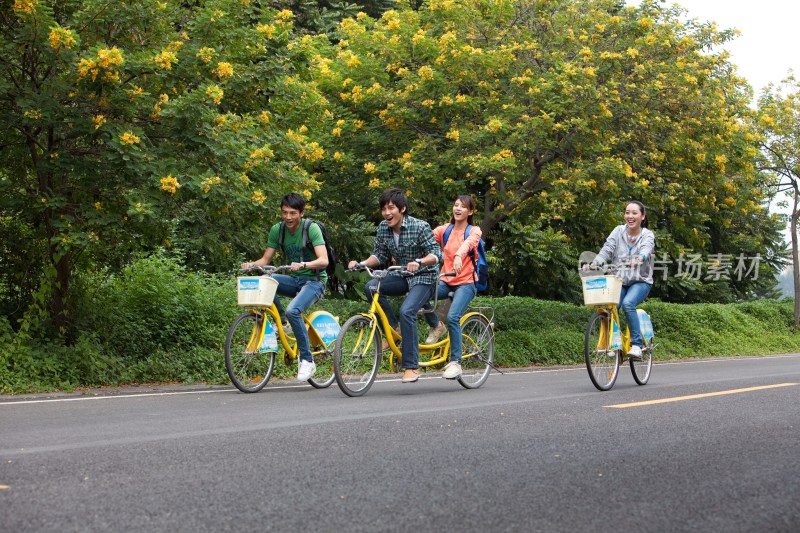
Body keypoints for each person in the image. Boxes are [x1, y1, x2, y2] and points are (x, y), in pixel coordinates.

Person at [347, 188, 442, 383]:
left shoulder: (420, 226)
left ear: (402, 209)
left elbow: (436, 254)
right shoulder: (383, 227)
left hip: (424, 277)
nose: (387, 213)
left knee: (407, 311)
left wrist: (420, 261)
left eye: (391, 208)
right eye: (383, 209)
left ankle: (411, 366)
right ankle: (393, 328)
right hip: (402, 274)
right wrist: (362, 264)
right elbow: (379, 255)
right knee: (371, 287)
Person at [241, 193, 328, 382]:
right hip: (294, 279)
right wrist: (251, 265)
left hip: (314, 281)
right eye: (284, 213)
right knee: (266, 279)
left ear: (301, 213)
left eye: (293, 213)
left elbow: (324, 260)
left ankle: (307, 360)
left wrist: (304, 265)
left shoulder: (311, 229)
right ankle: (284, 323)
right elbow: (265, 260)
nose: (288, 217)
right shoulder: (277, 230)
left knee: (293, 309)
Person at [422, 195, 483, 379]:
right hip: (446, 279)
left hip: (466, 283)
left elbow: (469, 243)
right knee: (421, 293)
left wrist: (458, 255)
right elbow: (424, 238)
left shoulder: (474, 231)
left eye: (463, 207)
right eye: (456, 205)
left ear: (470, 211)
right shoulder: (445, 230)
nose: (458, 209)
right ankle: (436, 326)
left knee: (453, 317)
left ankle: (455, 362)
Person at [589, 200, 655, 361]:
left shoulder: (647, 234)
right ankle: (614, 342)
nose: (630, 216)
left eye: (634, 213)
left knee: (627, 304)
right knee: (612, 307)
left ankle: (637, 346)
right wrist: (596, 262)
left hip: (640, 281)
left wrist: (640, 258)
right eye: (627, 212)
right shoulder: (618, 231)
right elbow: (608, 248)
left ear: (643, 216)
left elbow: (646, 249)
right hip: (620, 281)